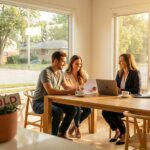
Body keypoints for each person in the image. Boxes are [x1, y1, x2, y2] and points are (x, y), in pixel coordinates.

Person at [32, 51, 77, 139]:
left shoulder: (60, 73)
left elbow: (66, 87)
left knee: (73, 109)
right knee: (58, 111)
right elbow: (50, 91)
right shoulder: (45, 72)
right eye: (63, 61)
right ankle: (54, 137)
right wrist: (69, 91)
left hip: (52, 101)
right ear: (56, 61)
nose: (65, 64)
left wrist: (76, 89)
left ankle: (61, 133)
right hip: (39, 103)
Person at [102, 53, 141, 145]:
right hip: (119, 101)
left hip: (130, 102)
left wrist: (122, 90)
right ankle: (117, 132)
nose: (119, 62)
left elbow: (137, 90)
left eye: (121, 60)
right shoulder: (119, 73)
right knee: (105, 112)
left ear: (127, 61)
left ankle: (125, 134)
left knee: (114, 115)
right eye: (119, 60)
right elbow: (115, 86)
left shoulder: (135, 73)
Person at [63, 55, 92, 138]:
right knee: (78, 108)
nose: (78, 66)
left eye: (80, 64)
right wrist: (75, 89)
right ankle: (77, 128)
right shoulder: (66, 74)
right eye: (76, 64)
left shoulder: (82, 73)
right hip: (70, 98)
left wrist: (90, 87)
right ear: (71, 63)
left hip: (81, 97)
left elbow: (88, 84)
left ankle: (74, 124)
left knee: (89, 110)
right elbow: (66, 88)